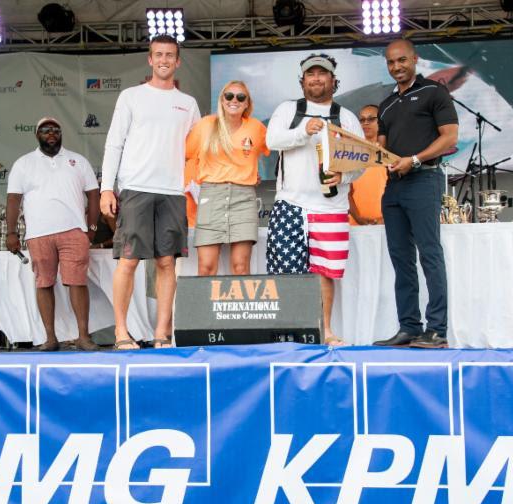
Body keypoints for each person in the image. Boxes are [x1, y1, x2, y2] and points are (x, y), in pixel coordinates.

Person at [99, 34, 200, 350]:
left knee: (167, 263)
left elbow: (195, 152)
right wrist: (106, 189)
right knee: (128, 262)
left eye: (170, 55)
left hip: (172, 192)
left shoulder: (188, 103)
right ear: (150, 59)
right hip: (136, 189)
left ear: (178, 61)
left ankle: (161, 335)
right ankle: (120, 333)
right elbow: (114, 142)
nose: (164, 60)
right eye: (159, 54)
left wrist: (193, 189)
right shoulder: (131, 96)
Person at [266, 53, 364, 347]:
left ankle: (325, 330)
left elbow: (361, 161)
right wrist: (302, 132)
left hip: (331, 207)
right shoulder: (288, 110)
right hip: (290, 204)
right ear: (302, 80)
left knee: (324, 273)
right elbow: (271, 141)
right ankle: (287, 333)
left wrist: (343, 178)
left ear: (334, 81)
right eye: (311, 74)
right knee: (286, 271)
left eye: (323, 74)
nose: (316, 79)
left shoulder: (346, 117)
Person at [373, 39, 459, 349]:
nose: (397, 67)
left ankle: (437, 330)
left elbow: (450, 137)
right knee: (401, 259)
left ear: (415, 59)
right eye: (391, 62)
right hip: (393, 186)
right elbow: (381, 148)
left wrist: (415, 160)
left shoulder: (434, 92)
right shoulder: (386, 104)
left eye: (402, 60)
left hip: (425, 179)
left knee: (429, 255)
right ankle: (409, 327)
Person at [5, 116, 101, 352]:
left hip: (74, 231)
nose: (51, 133)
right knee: (44, 283)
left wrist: (92, 228)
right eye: (45, 129)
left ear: (61, 134)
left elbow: (94, 194)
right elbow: (13, 199)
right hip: (38, 234)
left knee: (77, 282)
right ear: (37, 134)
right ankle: (50, 337)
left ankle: (83, 336)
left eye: (55, 129)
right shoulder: (23, 163)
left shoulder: (77, 161)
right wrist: (11, 232)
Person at [186, 80, 268, 275]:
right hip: (211, 195)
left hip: (243, 197)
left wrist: (253, 173)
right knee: (206, 266)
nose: (234, 100)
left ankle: (242, 306)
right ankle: (205, 306)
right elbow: (185, 154)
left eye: (241, 97)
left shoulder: (256, 127)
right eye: (229, 96)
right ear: (221, 100)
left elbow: (279, 149)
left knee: (240, 266)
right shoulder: (206, 125)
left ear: (247, 103)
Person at [349, 104, 386, 226]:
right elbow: (346, 192)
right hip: (355, 224)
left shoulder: (390, 152)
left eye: (371, 119)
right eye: (362, 120)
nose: (365, 123)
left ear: (380, 121)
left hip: (387, 223)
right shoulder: (352, 153)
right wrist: (358, 218)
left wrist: (386, 218)